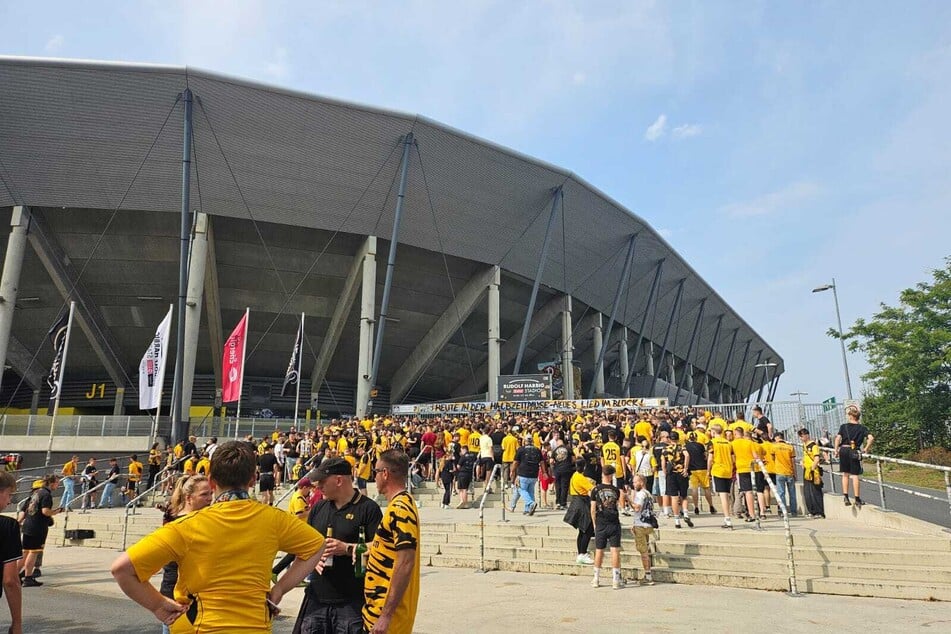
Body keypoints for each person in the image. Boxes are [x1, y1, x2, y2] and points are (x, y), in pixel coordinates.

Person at [112, 440, 325, 632]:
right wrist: (279, 589)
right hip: (254, 627)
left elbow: (122, 569)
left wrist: (158, 604)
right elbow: (317, 546)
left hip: (200, 626)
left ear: (212, 482)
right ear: (253, 479)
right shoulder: (275, 520)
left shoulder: (186, 526)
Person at [294, 459, 382, 634]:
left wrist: (348, 548)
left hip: (351, 603)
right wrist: (312, 559)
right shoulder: (319, 507)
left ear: (339, 480)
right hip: (316, 599)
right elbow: (305, 545)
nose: (318, 486)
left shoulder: (368, 509)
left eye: (322, 482)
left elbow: (381, 547)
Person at [363, 449, 419, 634]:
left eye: (376, 472)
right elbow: (386, 547)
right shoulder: (398, 505)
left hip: (387, 619)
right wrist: (349, 548)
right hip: (376, 612)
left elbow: (405, 562)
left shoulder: (401, 508)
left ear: (385, 474)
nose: (375, 477)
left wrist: (386, 615)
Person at [158, 475, 213, 634]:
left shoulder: (201, 521)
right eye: (204, 495)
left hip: (193, 597)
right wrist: (156, 604)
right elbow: (125, 569)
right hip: (178, 597)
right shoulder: (180, 525)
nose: (209, 499)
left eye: (210, 494)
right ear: (189, 497)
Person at [20, 474, 61, 588]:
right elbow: (45, 511)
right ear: (51, 483)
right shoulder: (46, 495)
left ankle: (15, 575)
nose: (58, 485)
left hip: (28, 526)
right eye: (57, 483)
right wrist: (56, 512)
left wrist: (19, 521)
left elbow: (25, 509)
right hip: (38, 528)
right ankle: (28, 578)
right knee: (33, 553)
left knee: (25, 552)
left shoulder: (35, 493)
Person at [590, 465, 623, 589]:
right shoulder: (616, 490)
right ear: (611, 476)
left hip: (601, 522)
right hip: (614, 522)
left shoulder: (595, 489)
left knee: (599, 551)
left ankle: (596, 578)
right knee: (615, 550)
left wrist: (594, 523)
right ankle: (615, 579)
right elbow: (619, 505)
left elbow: (592, 509)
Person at [835, 404, 874, 507]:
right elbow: (871, 438)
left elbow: (837, 439)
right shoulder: (862, 428)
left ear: (850, 416)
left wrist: (836, 450)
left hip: (843, 449)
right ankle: (857, 499)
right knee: (855, 475)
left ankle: (846, 497)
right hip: (854, 451)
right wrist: (865, 448)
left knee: (845, 474)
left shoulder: (843, 427)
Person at [1, 471, 23, 634]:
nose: (9, 501)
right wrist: (17, 623)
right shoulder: (8, 526)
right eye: (9, 495)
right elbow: (10, 580)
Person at [563, 459, 595, 564]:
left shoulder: (575, 475)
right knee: (587, 529)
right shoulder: (581, 478)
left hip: (576, 502)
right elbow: (593, 489)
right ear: (584, 467)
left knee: (582, 530)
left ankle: (581, 554)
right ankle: (582, 553)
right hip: (582, 504)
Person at [707, 424, 736, 529]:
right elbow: (733, 458)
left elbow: (710, 458)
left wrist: (708, 471)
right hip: (728, 470)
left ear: (713, 432)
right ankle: (728, 516)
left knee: (723, 496)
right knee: (727, 495)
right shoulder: (729, 443)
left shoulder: (712, 442)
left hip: (718, 470)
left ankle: (727, 519)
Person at [629, 474, 656, 586]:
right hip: (648, 524)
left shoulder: (640, 494)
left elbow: (637, 508)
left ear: (642, 482)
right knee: (646, 550)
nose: (634, 484)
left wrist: (628, 499)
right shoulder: (648, 494)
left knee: (643, 551)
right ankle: (648, 572)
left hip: (640, 524)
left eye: (636, 482)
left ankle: (648, 576)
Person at [509, 435, 542, 515]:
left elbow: (516, 462)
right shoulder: (537, 450)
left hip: (523, 473)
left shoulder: (521, 450)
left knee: (521, 489)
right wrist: (544, 472)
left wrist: (512, 471)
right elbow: (542, 462)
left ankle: (531, 503)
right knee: (530, 491)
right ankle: (526, 509)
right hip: (534, 474)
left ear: (525, 441)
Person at [798, 428, 826, 518]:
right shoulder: (804, 445)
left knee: (815, 491)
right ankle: (812, 511)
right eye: (800, 437)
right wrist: (802, 462)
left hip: (813, 471)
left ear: (806, 435)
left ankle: (819, 512)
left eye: (802, 436)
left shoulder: (813, 446)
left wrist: (812, 468)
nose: (801, 438)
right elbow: (804, 456)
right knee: (807, 491)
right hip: (806, 470)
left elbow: (816, 458)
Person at [772, 432, 798, 516]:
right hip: (789, 472)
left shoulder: (774, 446)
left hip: (779, 472)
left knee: (781, 493)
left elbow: (772, 458)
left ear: (776, 438)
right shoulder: (790, 447)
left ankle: (784, 511)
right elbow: (793, 461)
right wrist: (795, 473)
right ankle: (794, 512)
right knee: (792, 493)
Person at [455, 444, 476, 510]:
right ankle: (464, 502)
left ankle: (463, 501)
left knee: (462, 488)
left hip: (462, 473)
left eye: (461, 450)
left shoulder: (463, 456)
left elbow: (458, 466)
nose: (461, 452)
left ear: (464, 449)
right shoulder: (473, 456)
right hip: (469, 474)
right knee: (465, 488)